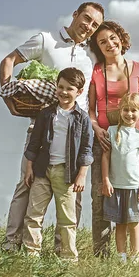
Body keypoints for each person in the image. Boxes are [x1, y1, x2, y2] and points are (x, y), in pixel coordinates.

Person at [0, 1, 104, 252]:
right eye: (86, 19)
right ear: (75, 14)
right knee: (27, 186)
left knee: (72, 196)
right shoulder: (46, 40)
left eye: (95, 25)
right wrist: (6, 95)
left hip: (75, 136)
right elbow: (9, 59)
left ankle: (62, 251)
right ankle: (12, 245)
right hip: (43, 130)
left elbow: (115, 63)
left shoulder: (90, 55)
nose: (89, 26)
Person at [88, 21, 139, 258]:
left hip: (135, 139)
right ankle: (104, 254)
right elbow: (91, 108)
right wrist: (96, 128)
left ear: (121, 38)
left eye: (112, 38)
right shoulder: (95, 71)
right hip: (106, 139)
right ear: (97, 47)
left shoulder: (138, 69)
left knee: (138, 198)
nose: (109, 44)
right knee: (103, 197)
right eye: (102, 41)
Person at [22, 67, 94, 260]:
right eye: (60, 87)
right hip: (42, 171)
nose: (63, 92)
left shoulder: (82, 118)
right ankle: (31, 255)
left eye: (69, 88)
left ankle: (68, 258)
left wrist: (82, 175)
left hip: (67, 173)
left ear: (79, 92)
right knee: (33, 215)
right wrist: (29, 169)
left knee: (67, 219)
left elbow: (87, 148)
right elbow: (34, 144)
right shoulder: (45, 114)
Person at [101, 93, 139, 263]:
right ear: (120, 111)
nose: (130, 114)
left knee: (134, 224)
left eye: (134, 111)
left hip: (134, 187)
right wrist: (106, 180)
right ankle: (121, 257)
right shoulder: (112, 131)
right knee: (119, 224)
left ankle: (134, 258)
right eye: (126, 110)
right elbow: (105, 157)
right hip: (116, 186)